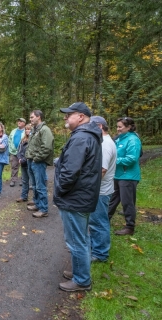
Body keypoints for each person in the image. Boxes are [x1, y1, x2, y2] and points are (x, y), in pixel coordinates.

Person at [54, 102, 102, 292]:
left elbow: (69, 172)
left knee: (76, 241)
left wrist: (60, 190)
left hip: (75, 199)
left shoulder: (81, 138)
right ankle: (79, 271)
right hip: (82, 196)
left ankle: (82, 280)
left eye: (69, 115)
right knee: (82, 237)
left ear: (81, 117)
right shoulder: (87, 136)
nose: (66, 118)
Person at [107, 117, 142, 235]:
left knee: (127, 202)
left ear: (129, 127)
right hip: (118, 175)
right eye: (117, 126)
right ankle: (104, 220)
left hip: (128, 176)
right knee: (112, 199)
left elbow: (132, 159)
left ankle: (130, 227)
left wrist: (114, 160)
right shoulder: (119, 139)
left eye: (120, 127)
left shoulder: (133, 140)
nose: (118, 129)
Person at [89, 116, 116, 262]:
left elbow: (102, 170)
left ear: (99, 127)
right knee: (97, 221)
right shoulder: (104, 142)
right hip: (100, 190)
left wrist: (88, 187)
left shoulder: (105, 144)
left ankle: (100, 254)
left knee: (98, 222)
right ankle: (96, 248)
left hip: (100, 191)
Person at [25, 110, 54, 218]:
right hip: (31, 160)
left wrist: (37, 158)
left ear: (39, 117)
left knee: (40, 186)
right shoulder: (34, 129)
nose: (30, 119)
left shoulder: (45, 130)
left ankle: (44, 209)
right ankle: (37, 204)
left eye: (32, 117)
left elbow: (47, 147)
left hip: (38, 162)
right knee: (35, 185)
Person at [16, 124, 32, 202]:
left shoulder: (33, 140)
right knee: (24, 180)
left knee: (33, 182)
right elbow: (18, 150)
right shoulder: (23, 140)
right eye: (26, 129)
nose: (27, 130)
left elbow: (30, 152)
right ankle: (23, 196)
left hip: (29, 162)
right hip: (22, 163)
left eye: (29, 129)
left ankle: (35, 199)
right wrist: (19, 158)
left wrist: (24, 159)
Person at [8, 118, 27, 187]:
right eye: (18, 121)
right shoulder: (13, 131)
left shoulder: (26, 130)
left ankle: (23, 179)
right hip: (13, 152)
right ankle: (13, 180)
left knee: (23, 166)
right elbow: (9, 140)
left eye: (21, 121)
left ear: (24, 123)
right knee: (14, 166)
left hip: (22, 152)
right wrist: (10, 149)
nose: (19, 122)